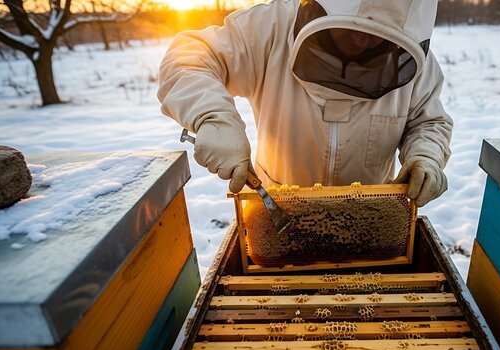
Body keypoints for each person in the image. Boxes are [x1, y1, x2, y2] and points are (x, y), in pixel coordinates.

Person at [158, 0, 452, 207]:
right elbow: (189, 58)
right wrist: (213, 116)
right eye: (352, 28)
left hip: (370, 217)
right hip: (275, 210)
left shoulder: (414, 61)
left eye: (376, 36)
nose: (361, 42)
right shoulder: (269, 28)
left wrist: (426, 156)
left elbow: (428, 121)